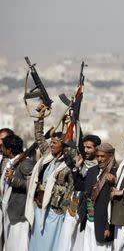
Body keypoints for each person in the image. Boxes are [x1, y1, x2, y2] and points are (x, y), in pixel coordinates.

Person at [25, 103, 75, 251]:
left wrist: (70, 124)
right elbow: (39, 137)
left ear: (62, 145)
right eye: (51, 143)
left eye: (54, 143)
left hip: (55, 211)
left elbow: (73, 147)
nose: (51, 145)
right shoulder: (47, 156)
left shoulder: (67, 163)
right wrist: (40, 116)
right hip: (40, 208)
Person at [78, 143, 117, 250]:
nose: (99, 159)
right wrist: (75, 168)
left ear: (110, 156)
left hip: (103, 224)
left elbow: (112, 204)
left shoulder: (114, 173)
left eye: (102, 156)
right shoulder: (92, 171)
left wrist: (108, 227)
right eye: (97, 156)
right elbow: (83, 190)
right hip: (89, 221)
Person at [0, 133, 35, 251]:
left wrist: (13, 179)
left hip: (19, 214)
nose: (1, 149)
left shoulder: (26, 163)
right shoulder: (12, 161)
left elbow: (32, 186)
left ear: (9, 149)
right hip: (9, 210)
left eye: (3, 147)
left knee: (19, 246)